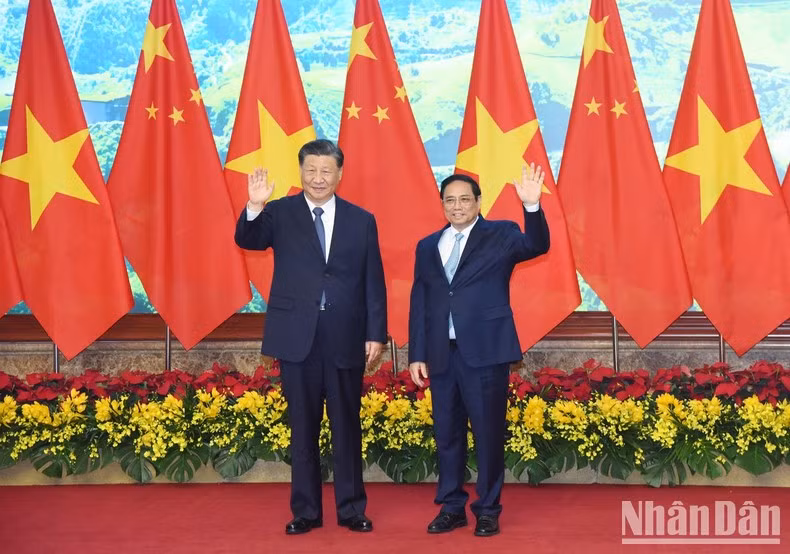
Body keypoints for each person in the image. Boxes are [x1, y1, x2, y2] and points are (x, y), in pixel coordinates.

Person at [235, 139, 387, 535]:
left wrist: (376, 333)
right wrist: (254, 206)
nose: (318, 178)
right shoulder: (280, 213)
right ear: (300, 171)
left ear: (339, 174)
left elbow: (374, 281)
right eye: (311, 170)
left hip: (345, 336)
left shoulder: (361, 219)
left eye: (326, 171)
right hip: (296, 336)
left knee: (346, 425)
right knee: (302, 426)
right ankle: (306, 511)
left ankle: (352, 509)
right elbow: (247, 240)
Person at [407, 165, 549, 537]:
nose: (457, 207)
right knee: (447, 434)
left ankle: (488, 508)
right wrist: (417, 353)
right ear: (442, 204)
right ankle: (452, 506)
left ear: (478, 202)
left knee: (487, 433)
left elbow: (536, 245)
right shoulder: (427, 246)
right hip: (440, 354)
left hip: (485, 353)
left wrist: (531, 206)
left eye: (464, 200)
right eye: (449, 201)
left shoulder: (500, 235)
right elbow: (420, 301)